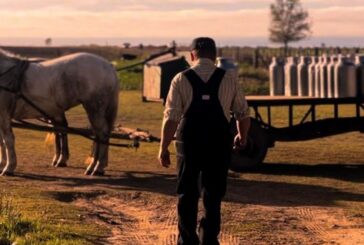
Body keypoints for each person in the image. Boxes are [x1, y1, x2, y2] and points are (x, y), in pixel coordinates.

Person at [158, 37, 250, 245]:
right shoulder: (229, 78)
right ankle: (209, 238)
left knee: (187, 192)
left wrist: (163, 147)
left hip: (188, 141)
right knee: (213, 192)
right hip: (218, 141)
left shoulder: (180, 79)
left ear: (192, 55)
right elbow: (243, 114)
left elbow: (171, 118)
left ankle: (187, 239)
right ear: (215, 55)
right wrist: (242, 137)